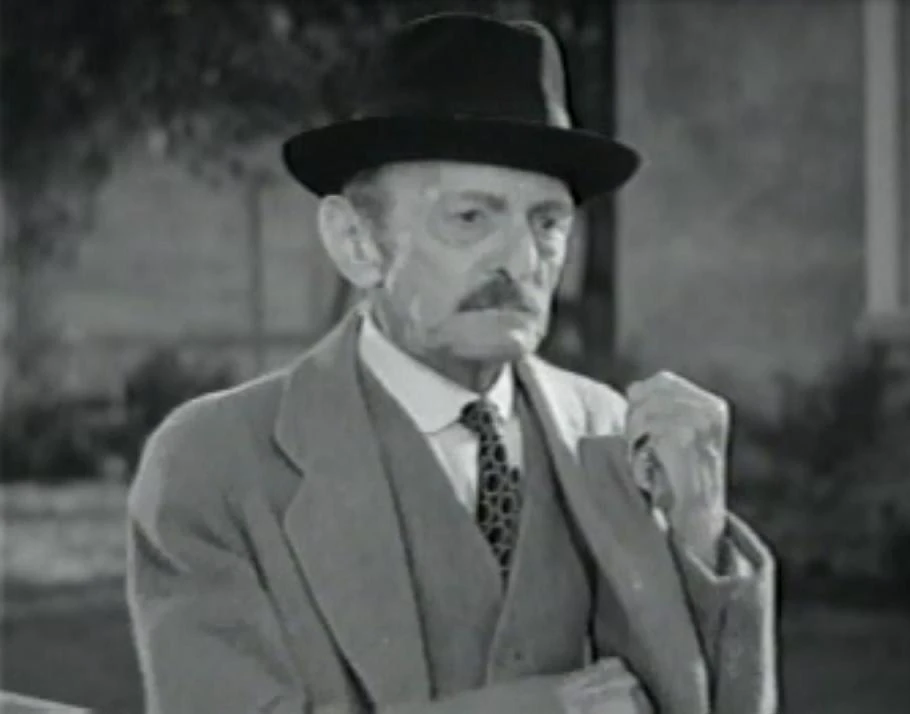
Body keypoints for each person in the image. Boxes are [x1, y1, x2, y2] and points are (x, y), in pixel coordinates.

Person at [126, 12, 777, 714]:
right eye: (471, 218)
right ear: (356, 243)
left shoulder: (610, 431)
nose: (521, 262)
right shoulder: (214, 463)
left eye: (547, 222)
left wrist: (699, 530)